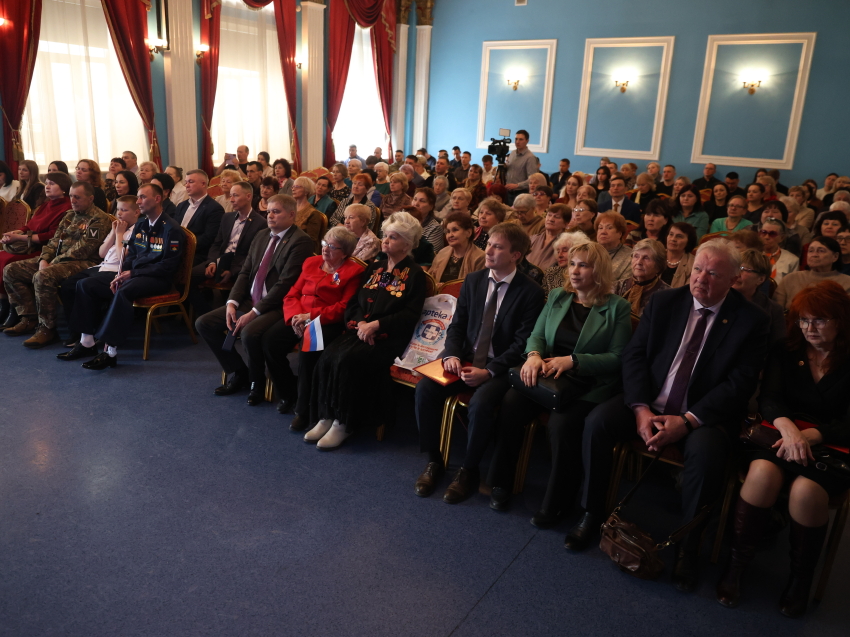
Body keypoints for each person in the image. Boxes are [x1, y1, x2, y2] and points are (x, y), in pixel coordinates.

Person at [568, 239, 770, 594]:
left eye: (713, 274)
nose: (701, 279)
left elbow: (739, 384)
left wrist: (689, 420)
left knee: (707, 456)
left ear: (734, 279)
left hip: (704, 414)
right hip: (650, 401)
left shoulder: (751, 320)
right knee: (597, 423)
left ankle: (687, 548)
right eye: (697, 270)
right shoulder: (665, 302)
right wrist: (640, 409)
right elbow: (634, 357)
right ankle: (592, 513)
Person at [716, 280, 850, 616]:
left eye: (819, 320)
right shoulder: (786, 349)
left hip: (833, 445)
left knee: (806, 491)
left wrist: (811, 436)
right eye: (803, 320)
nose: (809, 328)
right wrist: (789, 429)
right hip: (780, 433)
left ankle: (800, 581)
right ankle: (736, 566)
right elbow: (770, 398)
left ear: (841, 320)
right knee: (761, 472)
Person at [488, 241, 632, 520]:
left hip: (584, 384)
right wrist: (533, 355)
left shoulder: (618, 307)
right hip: (547, 375)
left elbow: (618, 358)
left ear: (598, 270)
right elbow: (537, 335)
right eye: (572, 264)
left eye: (583, 265)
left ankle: (556, 502)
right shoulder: (558, 296)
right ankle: (501, 482)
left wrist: (574, 361)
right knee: (511, 403)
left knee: (561, 426)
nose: (574, 271)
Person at [414, 222, 545, 502]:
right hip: (464, 358)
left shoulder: (530, 292)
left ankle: (469, 470)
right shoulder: (474, 280)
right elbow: (457, 325)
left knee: (481, 403)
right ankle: (434, 460)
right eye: (489, 244)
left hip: (500, 367)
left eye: (498, 247)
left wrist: (489, 371)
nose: (489, 251)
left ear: (515, 255)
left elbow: (522, 343)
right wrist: (451, 354)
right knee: (425, 389)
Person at [307, 212, 427, 449]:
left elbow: (410, 315)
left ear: (407, 244)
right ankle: (326, 415)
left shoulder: (415, 274)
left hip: (388, 337)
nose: (386, 241)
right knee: (329, 355)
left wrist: (376, 325)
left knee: (348, 361)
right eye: (385, 235)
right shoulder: (375, 267)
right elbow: (354, 302)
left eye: (393, 237)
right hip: (361, 330)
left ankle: (344, 422)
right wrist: (361, 323)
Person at [196, 194, 314, 404]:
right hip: (251, 299)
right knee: (204, 323)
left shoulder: (300, 241)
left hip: (276, 305)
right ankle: (239, 372)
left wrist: (254, 313)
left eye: (276, 212)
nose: (270, 216)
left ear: (291, 215)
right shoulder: (261, 235)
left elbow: (285, 284)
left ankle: (256, 383)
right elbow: (245, 272)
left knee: (250, 332)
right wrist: (232, 303)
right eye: (268, 211)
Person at [66, 185, 186, 369]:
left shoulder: (171, 229)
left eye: (143, 197)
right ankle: (86, 342)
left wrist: (132, 274)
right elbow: (131, 255)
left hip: (158, 278)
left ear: (157, 199)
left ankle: (110, 352)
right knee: (85, 284)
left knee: (123, 290)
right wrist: (122, 273)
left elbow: (167, 266)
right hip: (135, 274)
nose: (138, 201)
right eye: (138, 197)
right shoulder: (142, 224)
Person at [263, 227, 365, 427]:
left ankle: (304, 410)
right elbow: (292, 294)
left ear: (345, 253)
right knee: (270, 342)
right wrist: (295, 317)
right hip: (298, 316)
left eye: (332, 247)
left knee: (307, 351)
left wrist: (310, 317)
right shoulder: (311, 262)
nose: (325, 249)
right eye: (325, 243)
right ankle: (289, 393)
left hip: (325, 321)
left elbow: (344, 307)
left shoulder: (354, 271)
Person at [3, 181, 112, 346]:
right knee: (12, 270)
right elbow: (54, 242)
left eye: (77, 197)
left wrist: (51, 263)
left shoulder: (99, 219)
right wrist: (44, 259)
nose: (73, 200)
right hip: (58, 261)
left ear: (90, 198)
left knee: (43, 276)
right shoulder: (69, 215)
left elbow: (83, 250)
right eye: (71, 196)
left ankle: (47, 328)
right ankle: (28, 318)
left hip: (84, 263)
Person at [57, 195, 143, 347]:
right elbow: (102, 253)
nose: (119, 213)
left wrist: (119, 235)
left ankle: (88, 334)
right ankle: (76, 331)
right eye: (118, 209)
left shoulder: (139, 231)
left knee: (86, 285)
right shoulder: (117, 227)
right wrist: (113, 232)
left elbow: (121, 258)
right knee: (68, 285)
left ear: (136, 212)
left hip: (117, 271)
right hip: (102, 266)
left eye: (124, 210)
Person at [0, 171, 73, 326]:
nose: (47, 186)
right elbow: (29, 226)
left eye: (52, 183)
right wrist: (14, 233)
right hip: (30, 244)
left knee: (9, 263)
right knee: (1, 257)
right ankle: (6, 304)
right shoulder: (45, 205)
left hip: (44, 250)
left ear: (64, 188)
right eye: (46, 183)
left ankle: (19, 312)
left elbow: (50, 236)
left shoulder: (67, 208)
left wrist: (18, 238)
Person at [199, 182, 268, 295]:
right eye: (230, 195)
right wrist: (212, 262)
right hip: (219, 261)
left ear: (248, 196)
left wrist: (233, 271)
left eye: (235, 195)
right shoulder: (227, 217)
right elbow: (217, 244)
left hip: (240, 266)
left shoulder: (260, 223)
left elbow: (253, 255)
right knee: (188, 277)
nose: (231, 199)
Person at [775, 237, 850, 309]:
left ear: (835, 257)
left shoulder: (847, 282)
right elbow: (776, 311)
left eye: (821, 251)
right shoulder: (790, 279)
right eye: (811, 251)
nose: (814, 255)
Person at [172, 170, 225, 271]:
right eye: (186, 182)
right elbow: (174, 230)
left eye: (191, 182)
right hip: (177, 249)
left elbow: (209, 238)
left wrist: (184, 246)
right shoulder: (181, 206)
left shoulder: (214, 208)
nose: (187, 185)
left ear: (203, 184)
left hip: (197, 253)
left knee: (170, 266)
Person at [732, 249, 786, 346]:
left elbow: (777, 348)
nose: (737, 274)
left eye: (745, 269)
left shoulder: (773, 310)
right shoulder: (717, 299)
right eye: (737, 267)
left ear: (761, 279)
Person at [613, 238, 671, 316]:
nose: (639, 262)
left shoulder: (667, 295)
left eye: (646, 258)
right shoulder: (616, 287)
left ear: (658, 266)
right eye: (636, 256)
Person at [428, 212, 486, 283]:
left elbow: (478, 286)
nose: (450, 235)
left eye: (455, 230)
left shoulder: (480, 258)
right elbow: (430, 281)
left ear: (468, 233)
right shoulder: (442, 253)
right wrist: (437, 285)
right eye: (448, 231)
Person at [527, 204, 570, 270]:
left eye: (557, 217)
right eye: (549, 215)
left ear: (566, 224)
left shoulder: (567, 244)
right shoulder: (532, 239)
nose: (551, 219)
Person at [759, 217, 798, 284]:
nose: (767, 237)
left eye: (772, 234)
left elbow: (792, 285)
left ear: (782, 238)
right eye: (763, 232)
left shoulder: (792, 260)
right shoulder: (751, 256)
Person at [291, 176, 325, 253]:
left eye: (297, 187)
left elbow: (311, 240)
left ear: (306, 191)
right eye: (293, 186)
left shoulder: (313, 213)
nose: (293, 189)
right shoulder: (290, 208)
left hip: (302, 249)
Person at [595, 212, 632, 281]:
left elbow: (625, 284)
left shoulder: (630, 257)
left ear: (619, 234)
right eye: (600, 228)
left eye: (609, 228)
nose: (603, 232)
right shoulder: (588, 252)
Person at [410, 187, 445, 254]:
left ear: (431, 207)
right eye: (415, 199)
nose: (416, 204)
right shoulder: (403, 220)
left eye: (422, 201)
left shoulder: (435, 228)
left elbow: (429, 254)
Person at [662, 222, 697, 287]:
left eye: (679, 236)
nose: (673, 239)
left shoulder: (693, 265)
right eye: (671, 234)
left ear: (689, 241)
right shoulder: (656, 255)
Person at [504, 130, 536, 197]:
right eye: (516, 139)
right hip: (508, 191)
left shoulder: (530, 157)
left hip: (520, 192)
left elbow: (532, 179)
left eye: (521, 139)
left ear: (527, 141)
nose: (517, 142)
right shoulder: (512, 153)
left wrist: (517, 185)